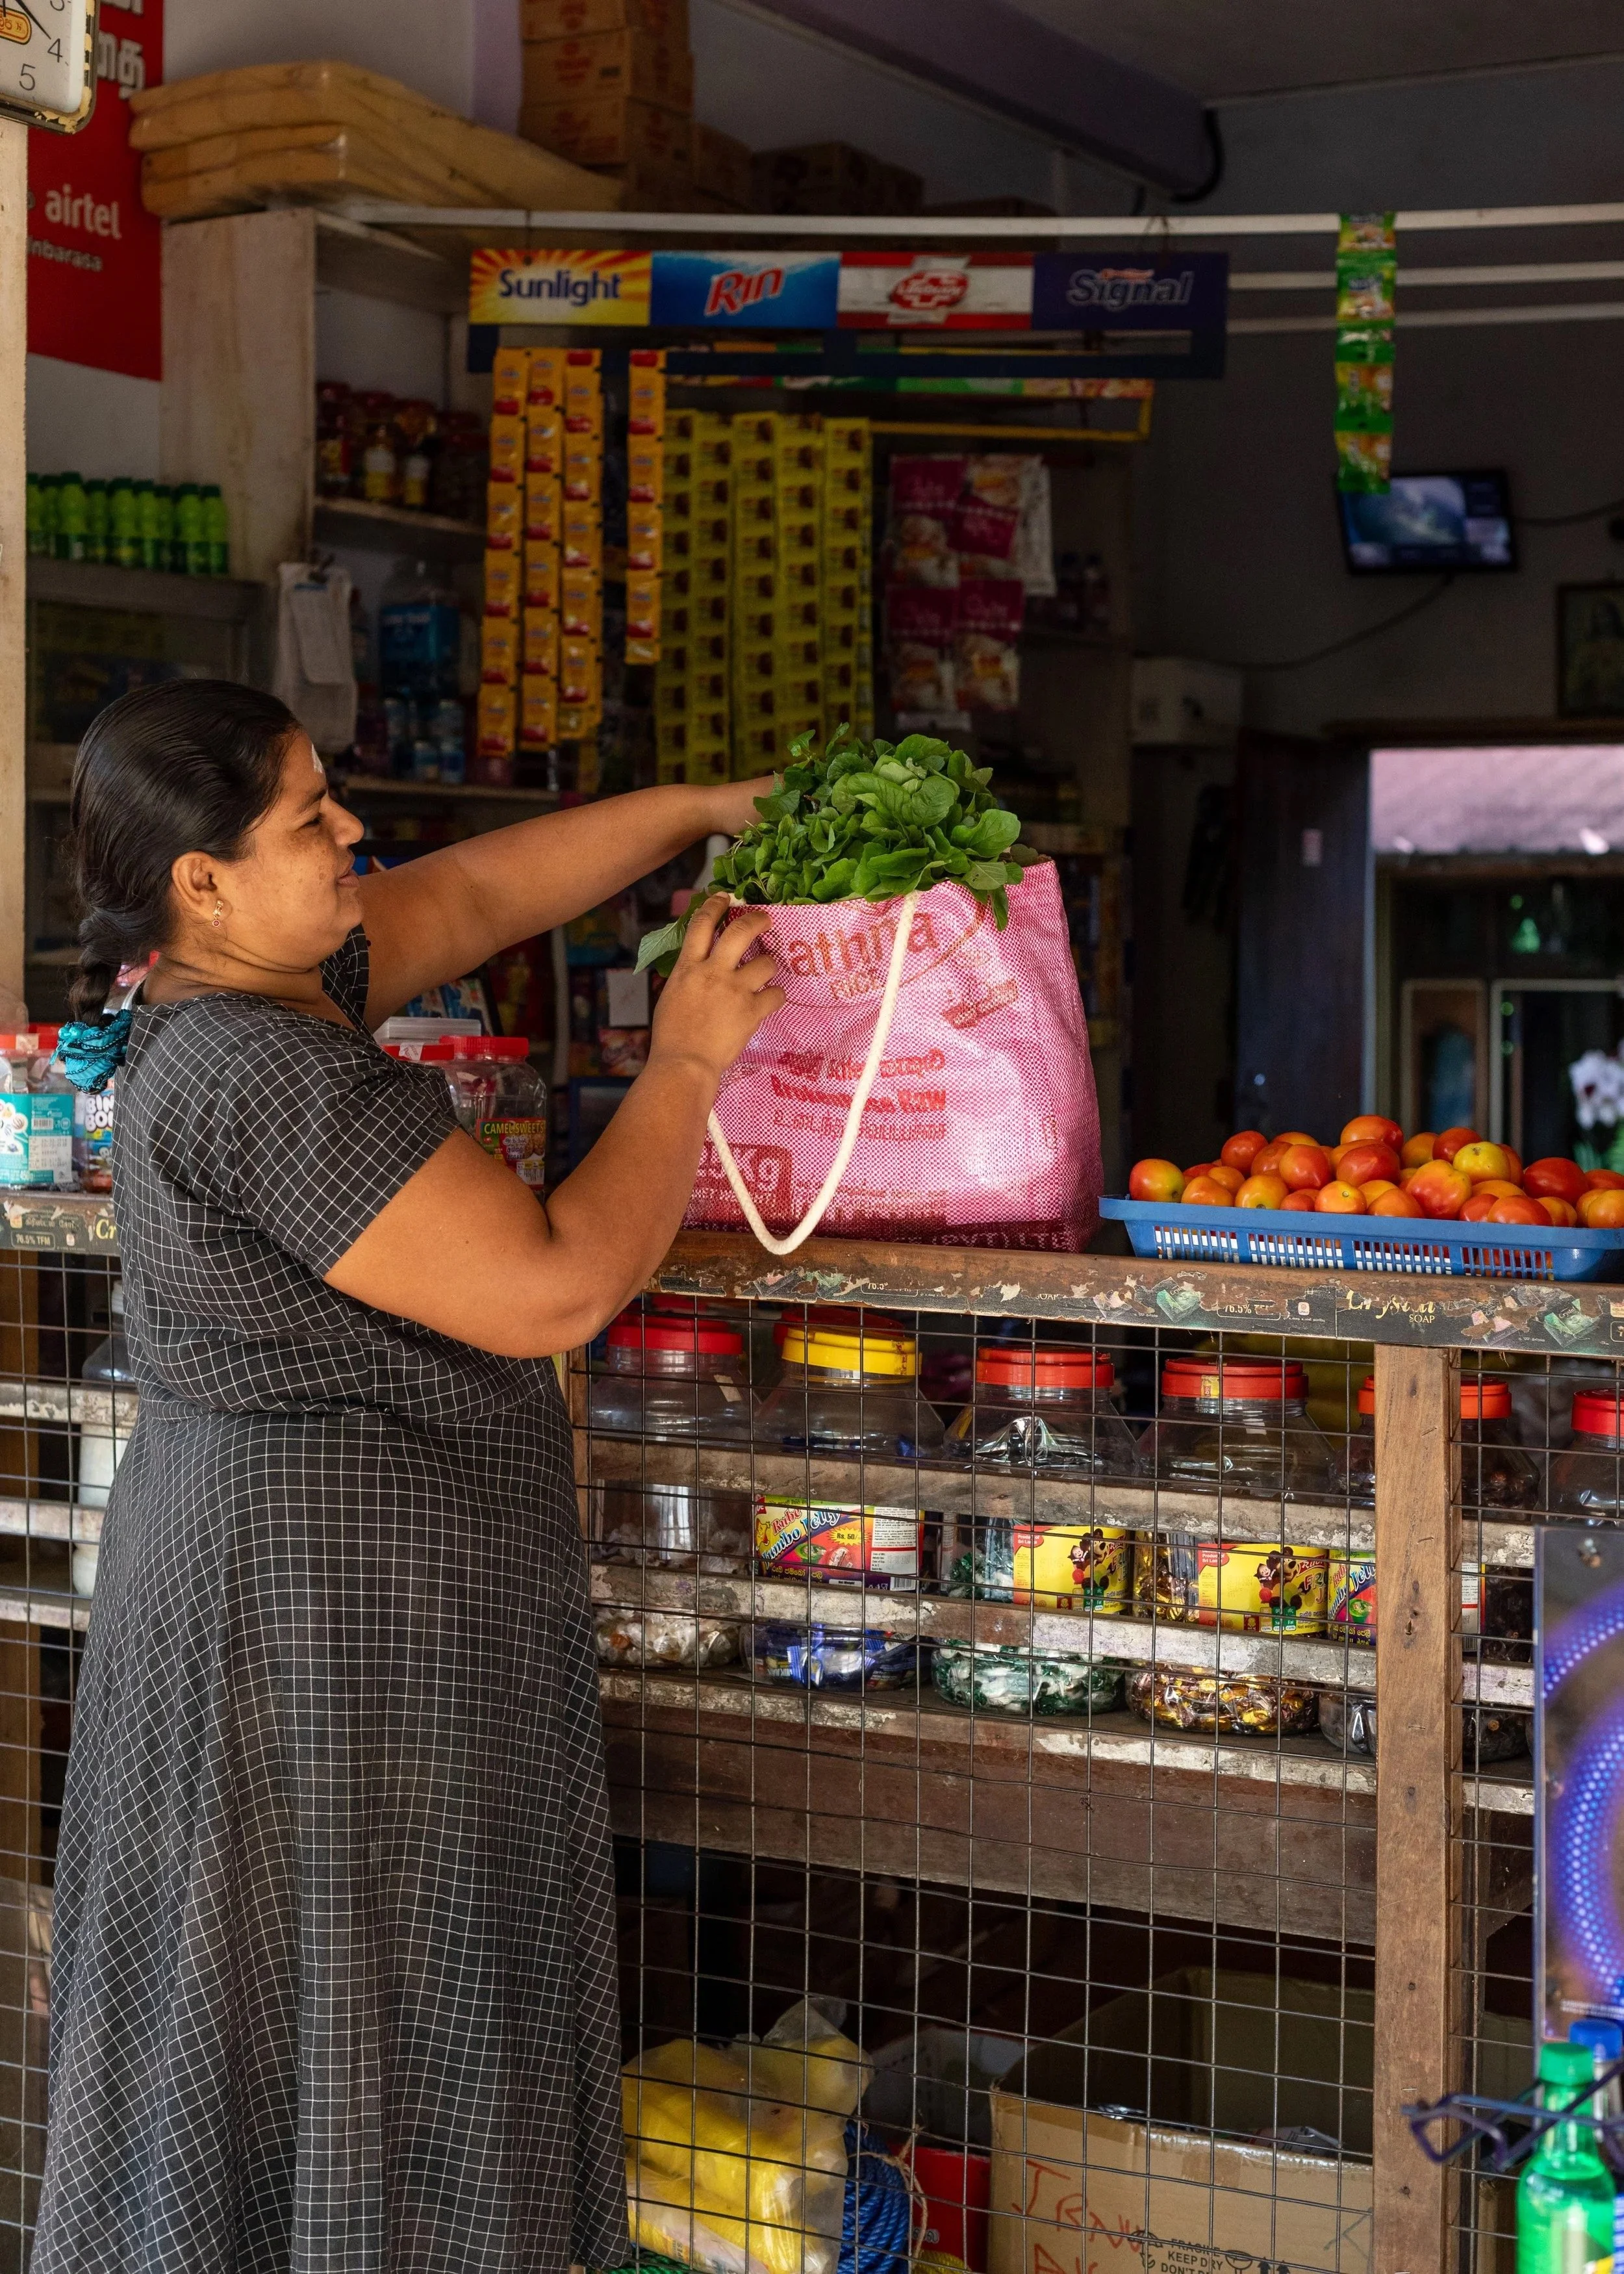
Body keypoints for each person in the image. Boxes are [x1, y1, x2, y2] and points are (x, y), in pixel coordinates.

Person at [33, 680, 783, 2274]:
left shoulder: (256, 983)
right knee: (354, 2030)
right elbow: (555, 1285)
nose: (352, 831)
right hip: (305, 1638)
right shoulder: (262, 1070)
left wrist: (699, 808)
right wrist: (690, 1062)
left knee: (329, 2026)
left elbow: (477, 892)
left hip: (299, 1603)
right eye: (310, 817)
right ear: (202, 880)